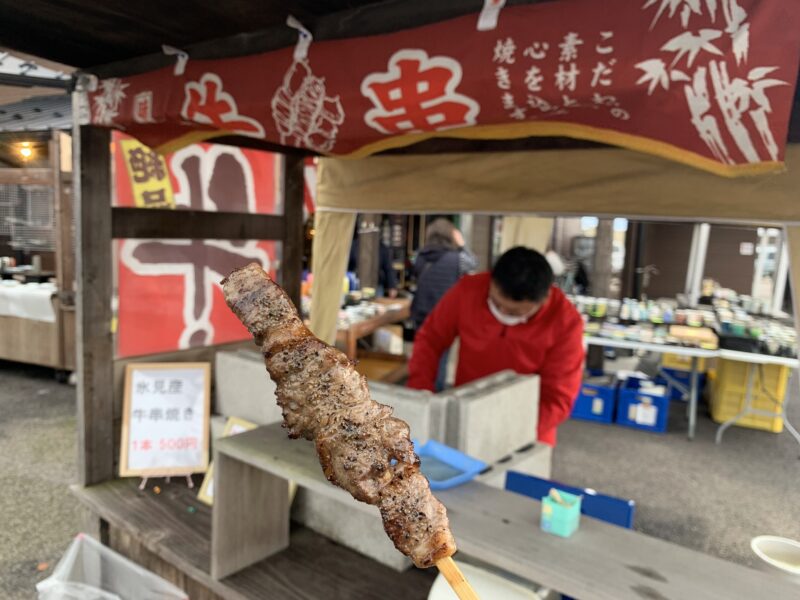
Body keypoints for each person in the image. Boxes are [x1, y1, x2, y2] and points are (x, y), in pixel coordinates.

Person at [407, 246, 585, 446]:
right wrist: (420, 391)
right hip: (466, 411)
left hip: (529, 429)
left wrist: (510, 434)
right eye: (496, 303)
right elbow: (431, 338)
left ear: (544, 299)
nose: (502, 312)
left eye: (514, 312)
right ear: (491, 280)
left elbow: (557, 398)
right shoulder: (468, 290)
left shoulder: (566, 322)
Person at [410, 218, 477, 390]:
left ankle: (422, 388)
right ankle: (436, 391)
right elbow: (473, 264)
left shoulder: (420, 256)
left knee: (423, 353)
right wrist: (462, 244)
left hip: (421, 311)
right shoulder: (457, 259)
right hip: (442, 314)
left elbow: (415, 275)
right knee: (441, 355)